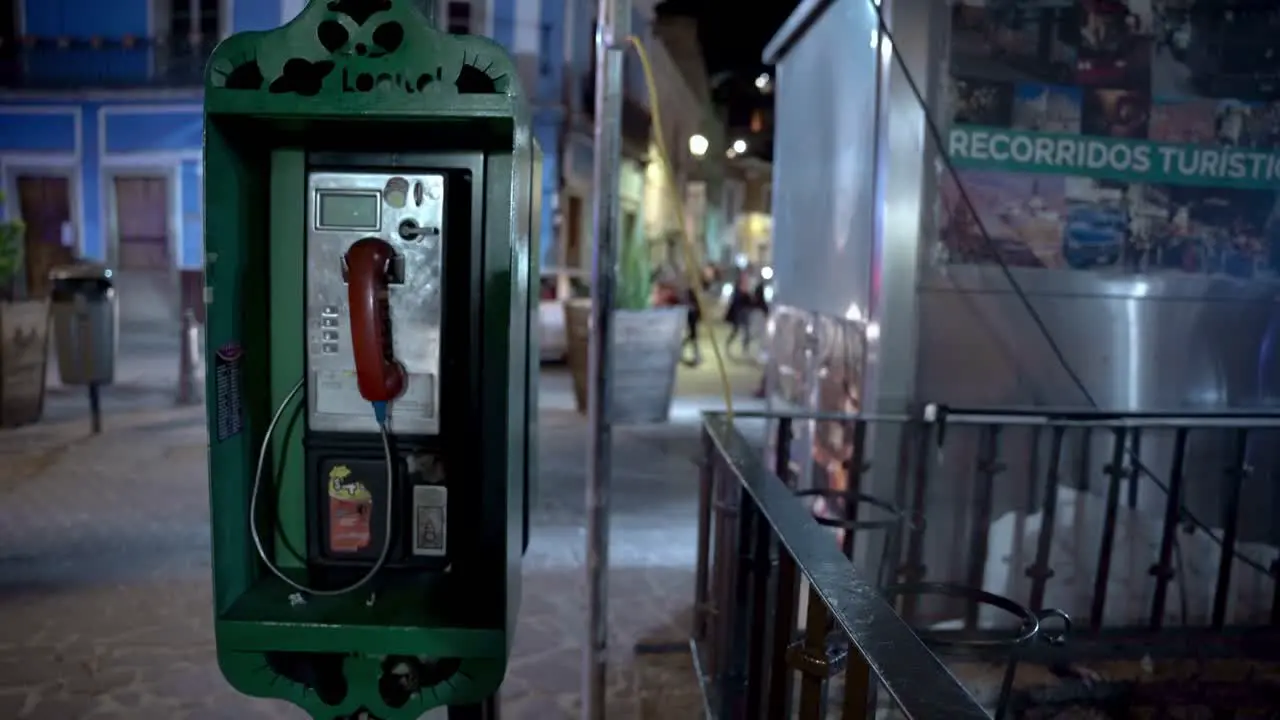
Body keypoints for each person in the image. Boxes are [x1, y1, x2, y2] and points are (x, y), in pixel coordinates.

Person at [724, 274, 755, 357]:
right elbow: (735, 302)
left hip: (745, 314)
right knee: (735, 331)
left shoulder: (746, 291)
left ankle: (745, 349)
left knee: (747, 332)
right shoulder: (737, 291)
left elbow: (750, 303)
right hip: (738, 314)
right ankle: (727, 345)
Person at [682, 285, 702, 367]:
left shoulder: (691, 295)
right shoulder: (690, 294)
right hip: (692, 317)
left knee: (692, 336)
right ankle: (696, 355)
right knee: (693, 336)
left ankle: (696, 355)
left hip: (692, 317)